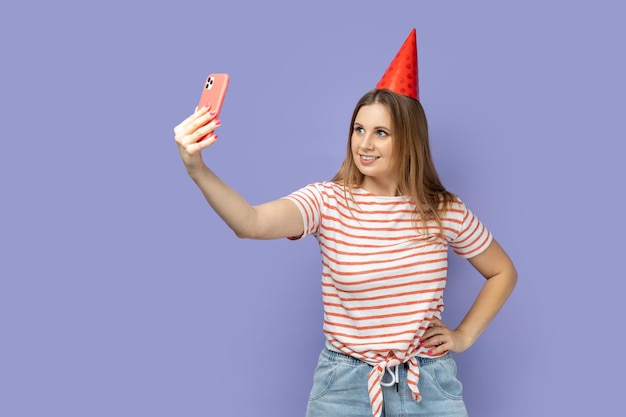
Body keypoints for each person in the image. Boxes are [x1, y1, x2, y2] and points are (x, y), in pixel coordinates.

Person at [174, 29, 517, 417]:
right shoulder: (327, 201)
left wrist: (463, 335)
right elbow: (250, 222)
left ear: (409, 140)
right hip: (344, 385)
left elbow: (502, 271)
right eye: (358, 129)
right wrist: (197, 169)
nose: (364, 144)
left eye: (381, 133)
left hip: (428, 385)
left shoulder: (444, 210)